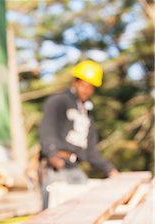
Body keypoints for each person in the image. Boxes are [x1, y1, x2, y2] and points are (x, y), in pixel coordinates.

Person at [38, 60, 119, 210]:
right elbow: (47, 131)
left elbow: (91, 151)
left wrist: (109, 169)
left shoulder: (87, 113)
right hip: (57, 166)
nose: (87, 90)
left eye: (91, 87)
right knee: (54, 212)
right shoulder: (58, 101)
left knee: (84, 208)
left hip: (75, 166)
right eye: (84, 85)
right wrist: (52, 154)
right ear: (76, 82)